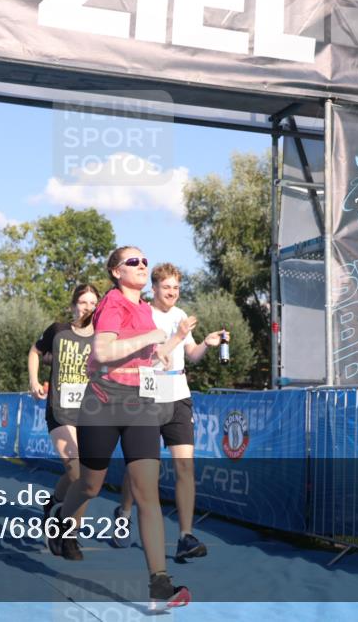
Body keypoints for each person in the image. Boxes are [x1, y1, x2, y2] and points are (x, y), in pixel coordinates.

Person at [48, 246, 191, 610]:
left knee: (148, 493)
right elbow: (106, 351)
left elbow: (154, 355)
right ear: (116, 272)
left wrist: (175, 339)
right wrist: (150, 337)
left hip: (141, 405)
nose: (142, 266)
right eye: (133, 262)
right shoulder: (112, 303)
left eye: (145, 261)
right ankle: (61, 517)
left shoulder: (144, 308)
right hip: (103, 403)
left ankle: (160, 584)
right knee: (91, 485)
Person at [111, 263, 227, 563]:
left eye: (176, 287)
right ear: (155, 289)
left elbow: (190, 355)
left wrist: (205, 343)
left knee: (185, 467)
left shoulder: (179, 316)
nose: (173, 292)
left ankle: (184, 537)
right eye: (167, 287)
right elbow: (153, 355)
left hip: (178, 396)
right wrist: (177, 335)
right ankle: (123, 512)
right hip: (148, 395)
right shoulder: (143, 314)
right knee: (140, 469)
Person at [27, 284, 100, 523]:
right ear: (73, 307)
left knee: (84, 475)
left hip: (90, 411)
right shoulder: (58, 330)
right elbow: (35, 352)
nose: (88, 307)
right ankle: (67, 526)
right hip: (60, 410)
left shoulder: (103, 336)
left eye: (92, 303)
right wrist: (34, 381)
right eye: (83, 302)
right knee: (77, 471)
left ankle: (55, 503)